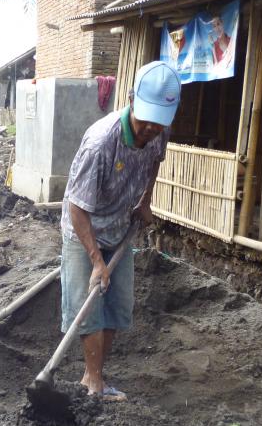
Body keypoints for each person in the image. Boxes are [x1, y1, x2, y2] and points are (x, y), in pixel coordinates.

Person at [59, 61, 181, 401]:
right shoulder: (101, 143)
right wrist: (97, 261)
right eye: (146, 120)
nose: (150, 129)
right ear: (131, 101)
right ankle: (93, 382)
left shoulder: (159, 130)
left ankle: (94, 377)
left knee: (117, 304)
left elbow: (155, 161)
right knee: (88, 308)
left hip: (120, 225)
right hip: (84, 229)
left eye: (158, 123)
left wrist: (145, 200)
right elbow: (77, 208)